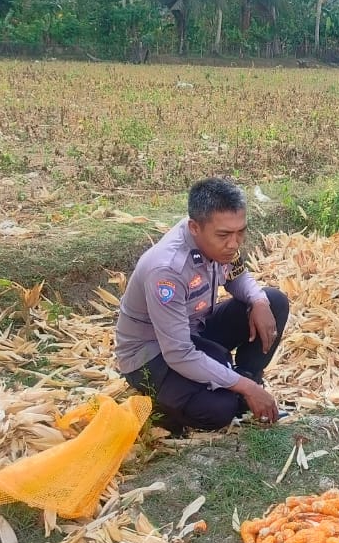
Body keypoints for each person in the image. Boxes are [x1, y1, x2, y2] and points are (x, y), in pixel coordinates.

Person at [116, 177, 290, 433]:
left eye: (240, 232)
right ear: (195, 228)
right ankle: (159, 406)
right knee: (218, 410)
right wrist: (242, 386)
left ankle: (243, 384)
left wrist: (258, 300)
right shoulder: (167, 271)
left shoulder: (220, 238)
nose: (234, 243)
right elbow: (178, 353)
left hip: (195, 330)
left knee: (273, 301)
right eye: (225, 235)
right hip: (154, 353)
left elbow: (237, 276)